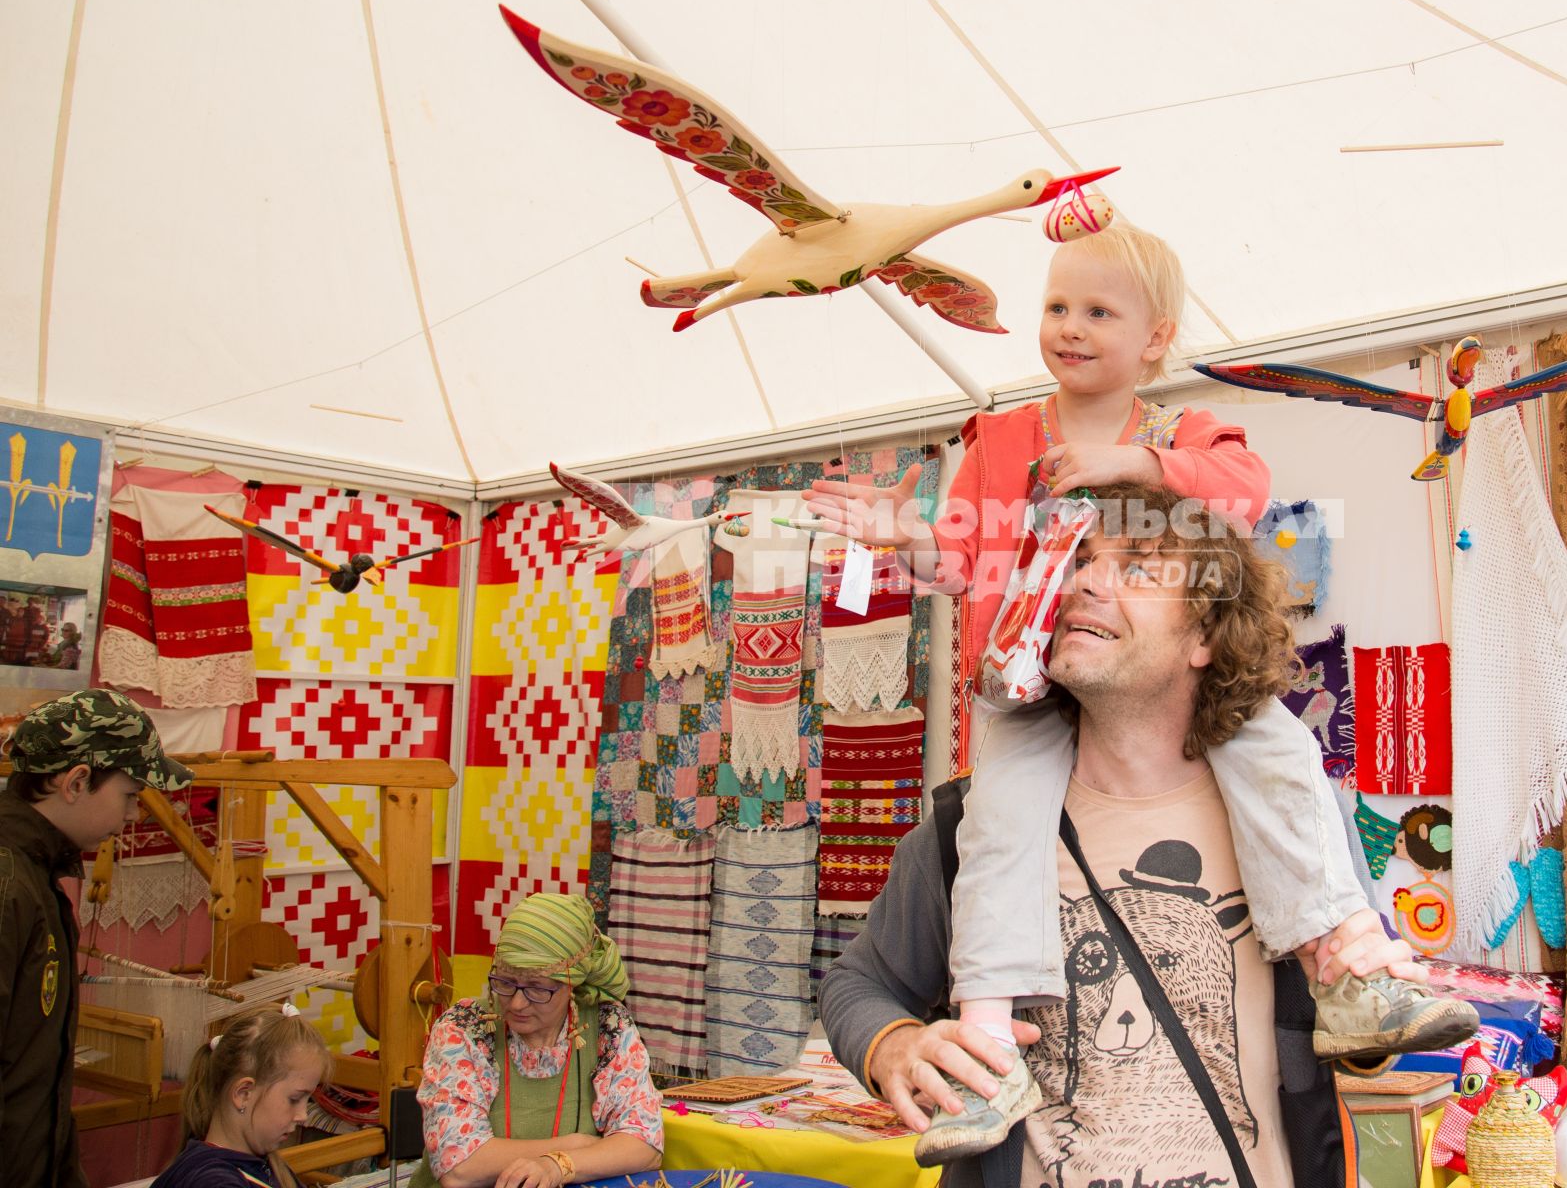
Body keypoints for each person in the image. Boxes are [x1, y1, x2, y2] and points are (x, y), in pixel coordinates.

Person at [809, 229, 1475, 1163]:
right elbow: (961, 563)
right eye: (1055, 307)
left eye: (1098, 311)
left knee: (1279, 752)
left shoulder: (1179, 436)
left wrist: (1144, 471)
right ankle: (992, 1043)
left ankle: (1347, 966)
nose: (1070, 328)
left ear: (1156, 338)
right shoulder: (1002, 439)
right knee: (1002, 826)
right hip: (1019, 685)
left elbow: (1244, 487)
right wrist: (901, 538)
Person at [821, 484, 1473, 1185]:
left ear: (1204, 635)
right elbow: (857, 986)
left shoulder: (1298, 825)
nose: (1087, 582)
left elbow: (1351, 1049)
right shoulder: (968, 830)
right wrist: (894, 1048)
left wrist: (1371, 1013)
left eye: (1135, 567)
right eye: (1079, 562)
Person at [0, 687, 194, 1188]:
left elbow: (36, 1078)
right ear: (77, 781)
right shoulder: (8, 886)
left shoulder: (37, 877)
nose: (133, 816)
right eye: (129, 795)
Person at [412, 892, 663, 1188]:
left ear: (572, 983)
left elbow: (644, 1144)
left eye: (537, 988)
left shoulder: (608, 1026)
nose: (517, 1003)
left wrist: (559, 1164)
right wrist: (578, 1144)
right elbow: (461, 1168)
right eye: (505, 982)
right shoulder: (464, 1028)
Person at [151, 1003, 332, 1188]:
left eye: (307, 1100)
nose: (303, 1115)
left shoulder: (264, 1164)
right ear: (244, 1094)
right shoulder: (212, 1181)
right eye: (294, 1099)